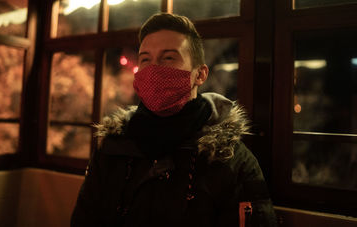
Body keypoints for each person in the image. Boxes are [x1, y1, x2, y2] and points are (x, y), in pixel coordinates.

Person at [71, 13, 277, 227]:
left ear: (200, 74)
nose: (153, 69)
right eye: (145, 59)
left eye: (168, 58)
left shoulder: (231, 159)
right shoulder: (112, 148)